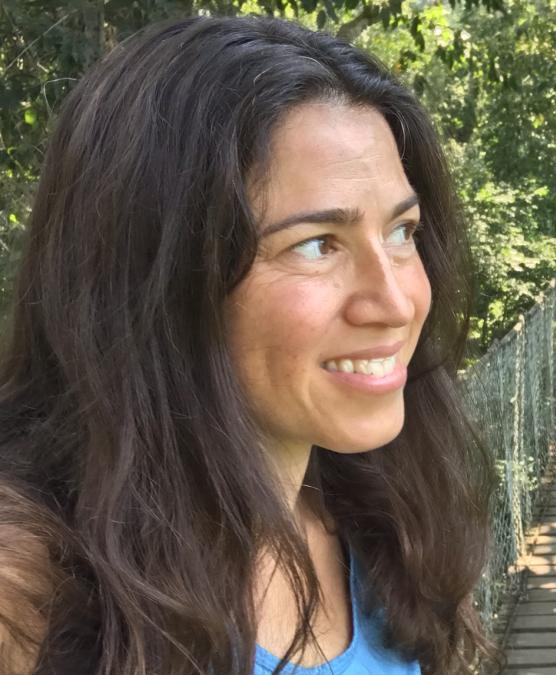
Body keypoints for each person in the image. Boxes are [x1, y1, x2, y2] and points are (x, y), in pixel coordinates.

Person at [0, 14, 496, 675]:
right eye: (319, 245)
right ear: (159, 280)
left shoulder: (385, 524)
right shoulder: (33, 594)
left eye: (402, 232)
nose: (398, 302)